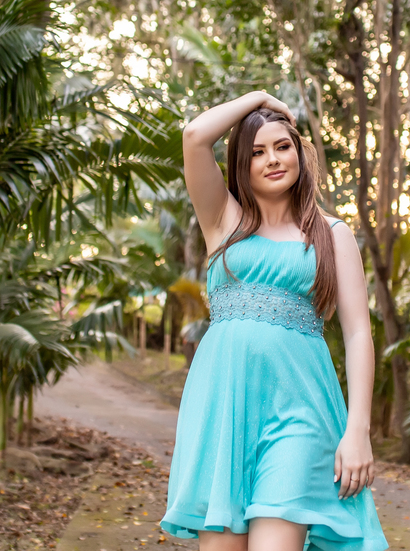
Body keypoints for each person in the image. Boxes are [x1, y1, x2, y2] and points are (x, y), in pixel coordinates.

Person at [161, 91, 388, 551]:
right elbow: (195, 135)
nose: (272, 160)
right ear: (241, 165)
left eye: (283, 146)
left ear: (299, 153)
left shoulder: (332, 234)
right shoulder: (223, 220)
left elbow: (358, 333)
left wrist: (358, 431)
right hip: (223, 408)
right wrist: (261, 99)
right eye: (257, 152)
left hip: (300, 412)